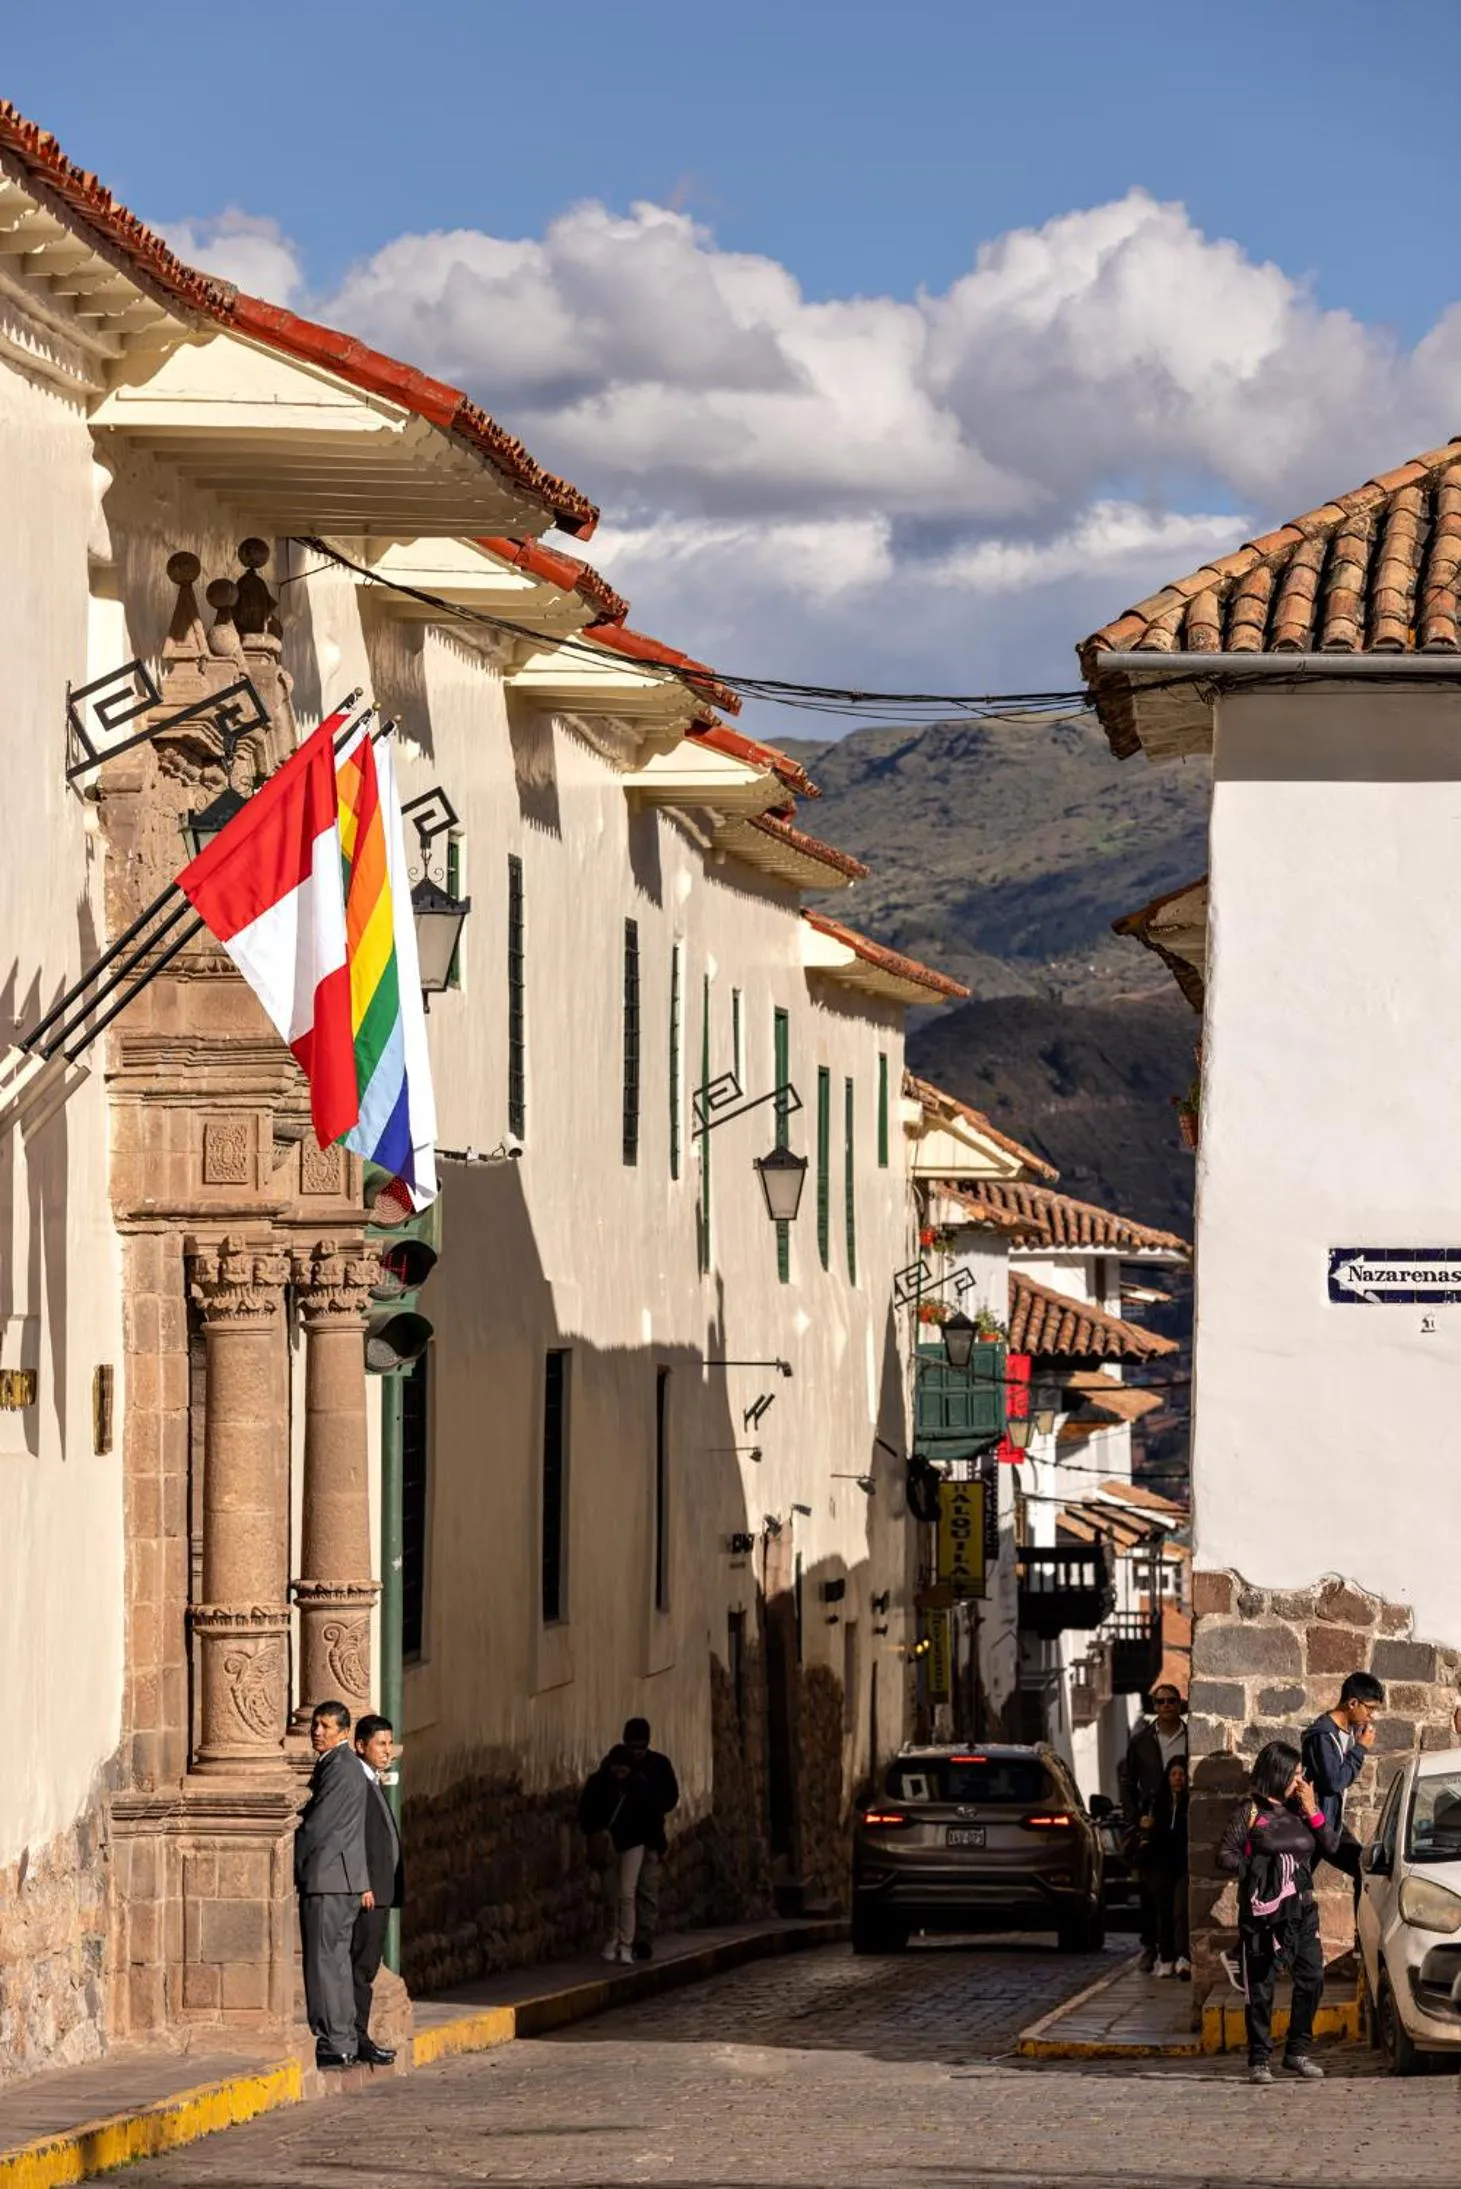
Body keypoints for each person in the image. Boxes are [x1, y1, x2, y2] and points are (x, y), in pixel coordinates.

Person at [1218, 1738, 1340, 2085]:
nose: (1299, 1781)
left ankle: (1297, 2051)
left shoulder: (1301, 1809)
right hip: (1264, 1914)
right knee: (1261, 1986)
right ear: (1278, 1773)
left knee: (1312, 1977)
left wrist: (1313, 1806)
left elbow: (1330, 1845)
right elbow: (1224, 1854)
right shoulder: (1250, 1811)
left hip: (1302, 1910)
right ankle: (1259, 2059)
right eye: (1295, 1774)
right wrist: (1259, 1869)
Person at [295, 1701, 371, 2069]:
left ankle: (333, 2039)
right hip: (341, 1878)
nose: (317, 1731)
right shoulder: (342, 1766)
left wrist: (295, 1857)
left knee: (324, 1962)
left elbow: (319, 1826)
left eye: (326, 1726)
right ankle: (343, 2038)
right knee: (336, 1962)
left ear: (344, 1732)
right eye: (315, 1724)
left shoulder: (340, 1768)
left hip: (329, 1878)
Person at [1118, 1683, 1187, 1972]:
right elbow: (1127, 1783)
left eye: (1171, 1701)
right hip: (1152, 1823)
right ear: (1154, 1706)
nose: (1166, 1706)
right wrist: (1136, 1818)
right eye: (1160, 1702)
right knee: (1152, 1890)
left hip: (1181, 1821)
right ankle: (1152, 1946)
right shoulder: (1141, 1741)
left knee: (1180, 1891)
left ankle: (1180, 1950)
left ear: (1179, 1705)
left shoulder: (1191, 1738)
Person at [350, 1713, 405, 2068]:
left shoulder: (374, 1781)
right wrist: (363, 1883)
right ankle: (356, 2038)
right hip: (369, 1893)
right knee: (361, 1965)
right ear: (361, 1746)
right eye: (380, 1744)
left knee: (367, 1966)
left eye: (389, 1744)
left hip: (381, 1891)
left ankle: (359, 2035)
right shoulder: (356, 1782)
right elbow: (353, 1837)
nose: (388, 1751)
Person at [1300, 1671, 1385, 1900]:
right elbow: (1334, 1781)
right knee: (1296, 1893)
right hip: (1315, 1828)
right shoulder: (1322, 1736)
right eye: (1369, 1709)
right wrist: (1360, 1749)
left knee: (1364, 1870)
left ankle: (1361, 1933)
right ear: (1352, 1703)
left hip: (1331, 1823)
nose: (1370, 1716)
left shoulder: (1349, 1731)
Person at [579, 1744, 661, 1964]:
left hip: (634, 1844)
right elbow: (585, 1814)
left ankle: (626, 1943)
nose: (620, 1775)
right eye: (617, 1771)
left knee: (627, 1893)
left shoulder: (639, 1786)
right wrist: (598, 1831)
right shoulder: (598, 1784)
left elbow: (651, 1817)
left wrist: (654, 1845)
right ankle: (611, 1938)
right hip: (609, 1846)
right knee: (609, 1895)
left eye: (624, 1771)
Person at [622, 1717, 680, 1960]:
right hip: (624, 1839)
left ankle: (643, 1938)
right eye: (632, 1747)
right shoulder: (616, 1765)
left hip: (651, 1838)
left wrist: (650, 1803)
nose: (636, 1752)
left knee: (647, 1889)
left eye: (640, 1747)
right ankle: (624, 1937)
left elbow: (671, 1798)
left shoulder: (659, 1765)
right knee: (624, 1892)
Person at [1142, 1758, 1190, 1978]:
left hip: (1182, 1864)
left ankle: (1182, 1956)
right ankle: (1166, 1956)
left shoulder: (1189, 1803)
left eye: (1181, 1774)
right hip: (1160, 1864)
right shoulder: (1157, 1802)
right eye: (1174, 1774)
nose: (1178, 1778)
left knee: (1180, 1911)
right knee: (1163, 1912)